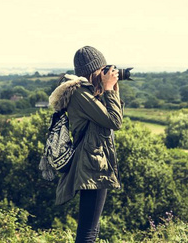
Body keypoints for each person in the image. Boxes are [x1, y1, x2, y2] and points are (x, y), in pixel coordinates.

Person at [48, 46, 123, 243]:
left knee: (92, 230)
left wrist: (111, 90)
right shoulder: (81, 93)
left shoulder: (88, 93)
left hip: (94, 164)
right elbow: (115, 121)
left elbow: (110, 118)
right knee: (88, 233)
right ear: (94, 70)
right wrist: (108, 89)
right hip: (92, 166)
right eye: (103, 69)